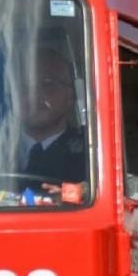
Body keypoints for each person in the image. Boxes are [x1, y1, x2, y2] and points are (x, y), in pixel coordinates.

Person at [14, 46, 87, 187]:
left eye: (48, 84)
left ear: (70, 96)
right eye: (26, 85)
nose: (34, 94)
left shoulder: (90, 155)